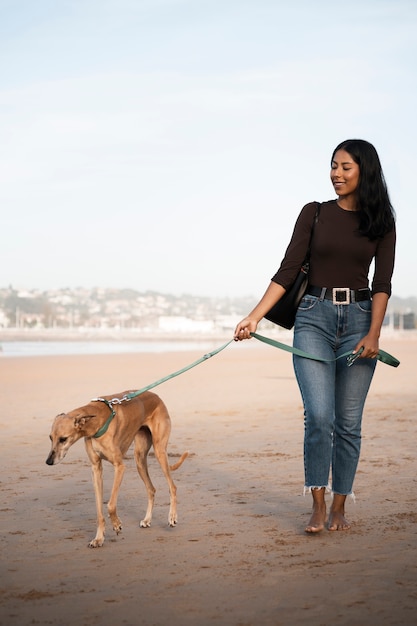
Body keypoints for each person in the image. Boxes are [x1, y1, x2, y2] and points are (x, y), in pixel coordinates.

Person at [234, 139, 396, 533]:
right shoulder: (315, 213)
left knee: (349, 422)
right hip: (313, 319)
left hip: (360, 321)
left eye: (346, 167)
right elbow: (287, 270)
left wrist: (374, 333)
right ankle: (318, 504)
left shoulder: (382, 221)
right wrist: (255, 317)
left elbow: (383, 283)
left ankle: (341, 506)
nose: (336, 174)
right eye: (333, 166)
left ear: (365, 171)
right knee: (319, 416)